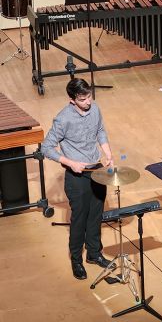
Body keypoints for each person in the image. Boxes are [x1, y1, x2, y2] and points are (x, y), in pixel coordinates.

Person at [41, 78, 114, 280]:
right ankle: (76, 260)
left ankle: (94, 254)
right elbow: (46, 148)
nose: (88, 102)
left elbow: (100, 131)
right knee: (79, 220)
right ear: (72, 100)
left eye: (89, 96)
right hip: (76, 176)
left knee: (96, 215)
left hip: (96, 170)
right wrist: (69, 162)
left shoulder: (95, 109)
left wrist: (107, 152)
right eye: (83, 99)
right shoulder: (63, 119)